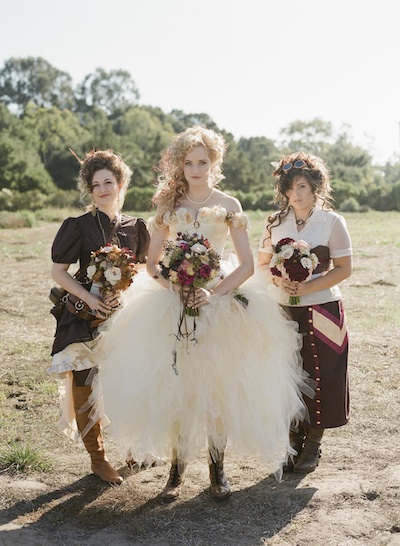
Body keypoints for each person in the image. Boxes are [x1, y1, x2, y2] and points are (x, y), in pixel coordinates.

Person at [91, 127, 313, 501]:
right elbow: (151, 264)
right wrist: (177, 287)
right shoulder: (169, 206)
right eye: (189, 162)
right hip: (172, 303)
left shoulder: (229, 205)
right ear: (180, 164)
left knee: (218, 389)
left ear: (214, 163)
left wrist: (213, 292)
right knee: (176, 385)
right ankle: (176, 472)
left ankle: (217, 470)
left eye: (203, 161)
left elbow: (244, 265)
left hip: (220, 303)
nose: (196, 169)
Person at [48, 149, 150, 485]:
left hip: (125, 313)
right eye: (96, 184)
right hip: (85, 313)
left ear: (120, 184)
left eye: (109, 182)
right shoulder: (77, 226)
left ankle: (135, 448)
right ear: (90, 190)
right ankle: (98, 458)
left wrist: (126, 292)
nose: (103, 189)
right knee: (85, 379)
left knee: (131, 378)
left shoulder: (137, 227)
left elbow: (144, 269)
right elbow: (58, 272)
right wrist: (89, 297)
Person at [258, 151, 352, 473]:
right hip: (284, 311)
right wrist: (280, 280)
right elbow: (262, 264)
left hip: (324, 310)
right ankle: (292, 442)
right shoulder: (275, 223)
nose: (295, 194)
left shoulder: (332, 222)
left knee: (322, 374)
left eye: (302, 187)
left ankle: (313, 445)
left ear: (315, 187)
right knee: (290, 376)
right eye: (290, 188)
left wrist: (308, 288)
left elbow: (344, 268)